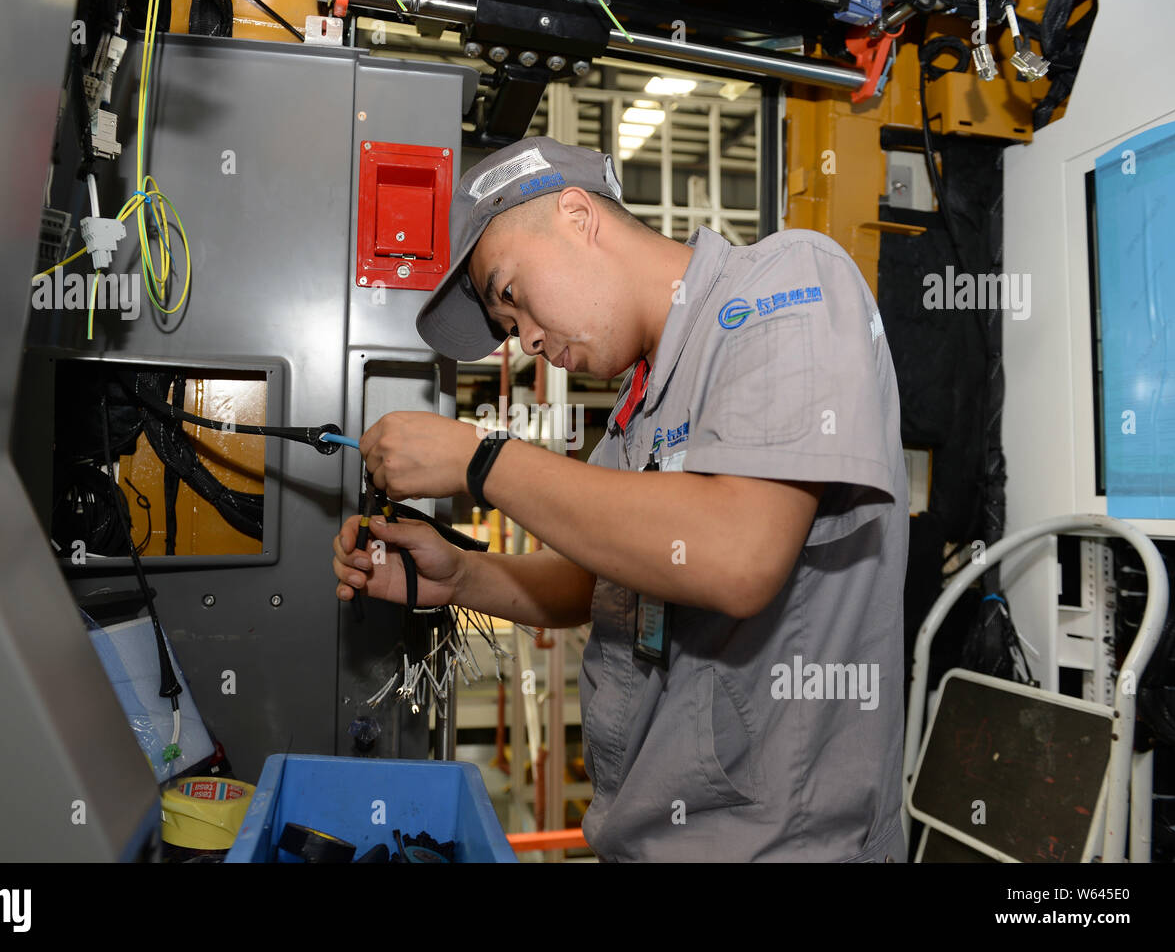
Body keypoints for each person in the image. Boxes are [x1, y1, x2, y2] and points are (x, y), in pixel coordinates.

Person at [331, 136, 908, 862]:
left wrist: (480, 459)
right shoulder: (639, 407)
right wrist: (460, 574)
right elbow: (604, 579)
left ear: (577, 215)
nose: (528, 339)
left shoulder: (787, 285)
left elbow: (737, 553)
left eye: (512, 295)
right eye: (509, 330)